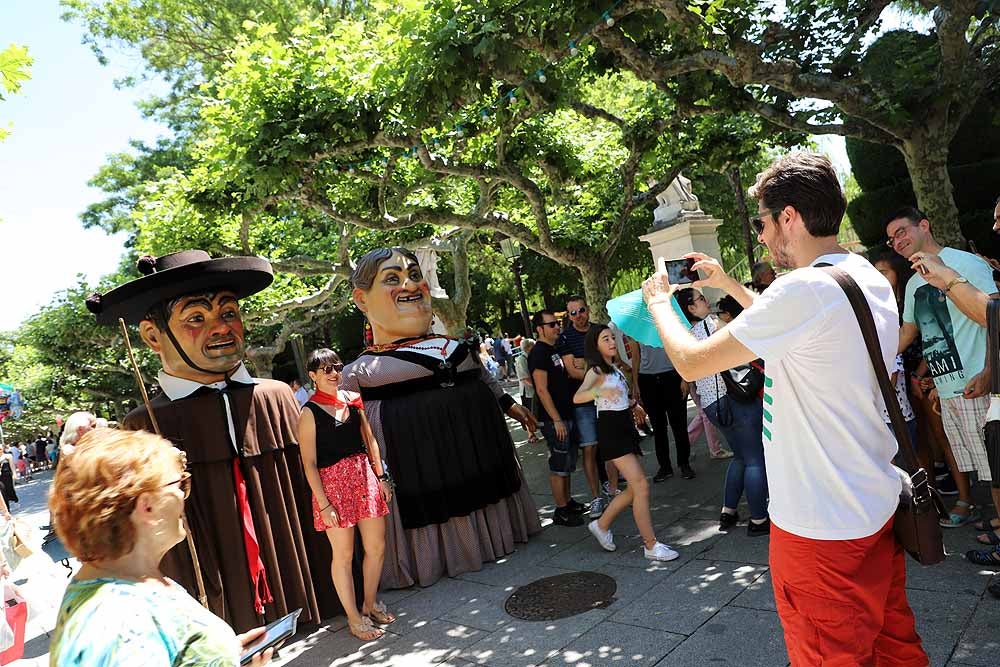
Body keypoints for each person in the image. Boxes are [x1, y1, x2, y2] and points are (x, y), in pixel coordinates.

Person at [643, 152, 927, 665]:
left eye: (765, 221)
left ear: (789, 217)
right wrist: (728, 284)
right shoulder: (859, 275)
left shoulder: (802, 290)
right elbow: (800, 329)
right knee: (894, 649)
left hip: (819, 525)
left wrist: (660, 303)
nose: (765, 233)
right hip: (872, 501)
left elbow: (689, 362)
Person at [85, 250, 339, 632]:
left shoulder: (274, 396)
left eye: (228, 313)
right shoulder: (143, 422)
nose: (221, 327)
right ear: (154, 336)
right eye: (196, 318)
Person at [341, 247, 541, 589]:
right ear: (362, 299)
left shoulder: (453, 346)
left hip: (476, 445)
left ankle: (499, 533)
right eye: (393, 279)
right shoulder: (358, 372)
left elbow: (484, 379)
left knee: (485, 480)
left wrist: (511, 406)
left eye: (414, 275)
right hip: (415, 459)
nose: (409, 284)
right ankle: (437, 556)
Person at [47, 428, 274, 666]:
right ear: (147, 506)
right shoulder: (118, 621)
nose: (183, 494)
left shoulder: (125, 584)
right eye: (179, 483)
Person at [888, 206, 1000, 538]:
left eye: (902, 231)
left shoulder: (964, 263)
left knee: (997, 469)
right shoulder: (912, 284)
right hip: (949, 389)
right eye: (892, 238)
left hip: (980, 385)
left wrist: (990, 372)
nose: (897, 241)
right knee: (987, 471)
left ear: (924, 225)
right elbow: (907, 334)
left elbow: (994, 318)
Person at [298, 348, 393, 641]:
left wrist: (382, 476)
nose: (332, 373)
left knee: (376, 547)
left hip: (364, 478)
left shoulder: (353, 400)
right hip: (332, 488)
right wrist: (324, 503)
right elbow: (309, 463)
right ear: (313, 376)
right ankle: (354, 618)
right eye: (324, 369)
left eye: (336, 367)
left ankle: (368, 603)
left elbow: (370, 441)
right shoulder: (309, 411)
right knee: (344, 554)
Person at [575, 325, 679, 562]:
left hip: (623, 426)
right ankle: (650, 545)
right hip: (612, 430)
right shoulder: (596, 371)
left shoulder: (612, 366)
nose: (612, 341)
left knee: (635, 488)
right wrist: (598, 394)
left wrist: (633, 404)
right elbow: (578, 396)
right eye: (605, 339)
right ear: (595, 344)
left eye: (612, 337)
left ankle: (601, 525)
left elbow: (618, 393)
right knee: (641, 485)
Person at [675, 288, 769, 536]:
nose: (707, 301)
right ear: (691, 309)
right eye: (701, 298)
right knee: (754, 459)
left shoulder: (682, 338)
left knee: (740, 456)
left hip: (711, 404)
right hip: (736, 398)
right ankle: (759, 520)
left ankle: (728, 510)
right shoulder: (714, 322)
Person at [529, 310, 588, 527]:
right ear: (540, 329)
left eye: (557, 323)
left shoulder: (553, 349)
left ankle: (568, 501)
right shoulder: (538, 353)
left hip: (566, 414)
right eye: (551, 324)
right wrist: (556, 419)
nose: (556, 327)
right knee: (558, 464)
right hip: (554, 419)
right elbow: (542, 390)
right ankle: (561, 510)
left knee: (568, 462)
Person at [558, 296, 608, 518]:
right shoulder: (565, 338)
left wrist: (585, 363)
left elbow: (608, 360)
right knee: (589, 446)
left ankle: (611, 485)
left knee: (609, 442)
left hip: (606, 397)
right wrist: (595, 364)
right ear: (568, 316)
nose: (578, 315)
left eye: (581, 310)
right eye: (573, 313)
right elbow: (572, 371)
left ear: (587, 310)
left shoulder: (598, 331)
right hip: (583, 402)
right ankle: (596, 496)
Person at [628, 339, 697, 482]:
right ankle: (664, 467)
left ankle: (684, 463)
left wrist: (685, 379)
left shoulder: (666, 321)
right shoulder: (636, 326)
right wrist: (635, 384)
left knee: (679, 424)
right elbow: (636, 356)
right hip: (647, 380)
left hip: (672, 376)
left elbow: (680, 350)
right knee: (658, 427)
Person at [515, 338, 539, 442]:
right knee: (528, 412)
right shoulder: (522, 359)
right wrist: (537, 386)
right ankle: (531, 434)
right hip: (528, 391)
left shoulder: (532, 357)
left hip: (534, 390)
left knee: (534, 411)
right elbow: (524, 378)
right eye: (533, 346)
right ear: (528, 348)